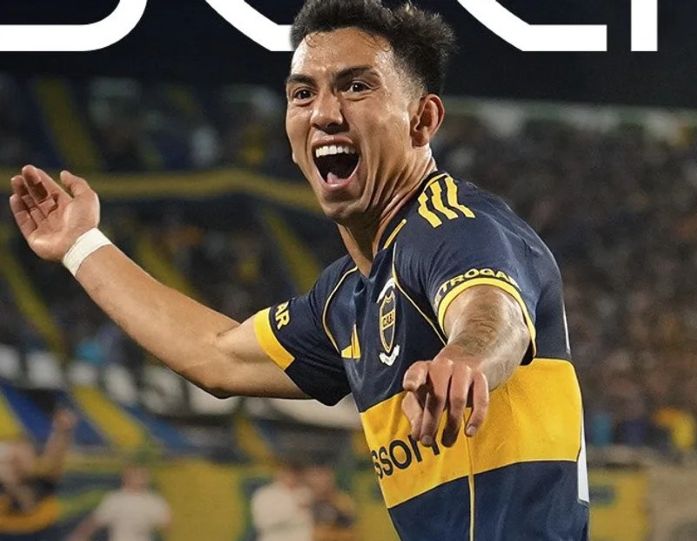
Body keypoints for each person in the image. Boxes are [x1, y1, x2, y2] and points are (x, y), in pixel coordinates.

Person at [8, 0, 589, 538]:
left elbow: (493, 311)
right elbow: (217, 355)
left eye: (356, 86)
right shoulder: (346, 299)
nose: (324, 114)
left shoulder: (454, 224)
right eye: (303, 93)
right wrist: (80, 246)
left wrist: (466, 359)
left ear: (422, 119)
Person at [0, 409, 76, 541]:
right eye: (8, 462)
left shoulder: (41, 480)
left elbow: (55, 457)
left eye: (18, 460)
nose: (14, 467)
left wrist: (62, 432)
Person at [66, 465, 171, 541]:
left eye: (142, 475)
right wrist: (80, 535)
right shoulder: (115, 499)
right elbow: (96, 521)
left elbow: (166, 524)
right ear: (126, 476)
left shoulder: (154, 501)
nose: (139, 478)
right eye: (135, 475)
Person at [250, 462, 313, 541]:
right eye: (289, 473)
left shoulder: (306, 492)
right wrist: (294, 509)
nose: (293, 477)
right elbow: (261, 523)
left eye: (296, 473)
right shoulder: (265, 494)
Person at [304, 464, 356, 541]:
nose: (317, 482)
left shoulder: (342, 501)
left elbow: (350, 530)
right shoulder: (307, 500)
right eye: (314, 477)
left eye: (321, 477)